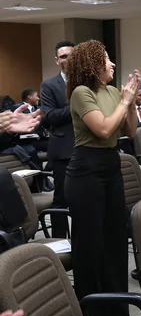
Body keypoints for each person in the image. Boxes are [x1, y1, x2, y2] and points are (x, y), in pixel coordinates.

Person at [64, 40, 141, 316]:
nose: (112, 64)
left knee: (115, 241)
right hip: (86, 171)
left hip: (111, 166)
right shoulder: (81, 93)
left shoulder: (111, 92)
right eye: (107, 59)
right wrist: (124, 102)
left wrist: (130, 104)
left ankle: (116, 310)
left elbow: (130, 131)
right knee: (91, 245)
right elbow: (105, 129)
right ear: (93, 64)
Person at [40, 41, 75, 238]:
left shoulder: (87, 81)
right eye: (63, 57)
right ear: (57, 60)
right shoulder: (49, 85)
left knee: (84, 198)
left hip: (86, 146)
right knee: (61, 198)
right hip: (63, 149)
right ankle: (59, 242)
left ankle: (82, 242)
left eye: (71, 55)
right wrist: (78, 105)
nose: (68, 60)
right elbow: (50, 116)